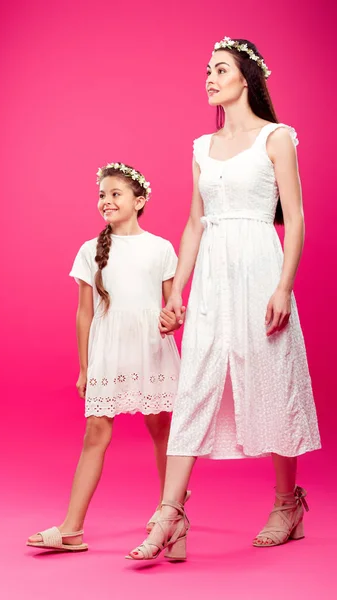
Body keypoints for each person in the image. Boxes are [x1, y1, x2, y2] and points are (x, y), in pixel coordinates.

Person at [127, 37, 321, 561]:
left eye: (220, 69)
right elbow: (194, 224)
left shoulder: (277, 138)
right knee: (196, 383)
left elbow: (296, 217)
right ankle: (171, 511)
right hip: (213, 276)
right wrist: (177, 293)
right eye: (207, 70)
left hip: (260, 268)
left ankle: (287, 504)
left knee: (272, 377)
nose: (210, 77)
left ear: (246, 79)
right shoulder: (201, 146)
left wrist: (283, 285)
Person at [27, 162, 182, 552]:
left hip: (151, 348)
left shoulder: (161, 247)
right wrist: (85, 366)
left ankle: (170, 513)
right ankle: (71, 528)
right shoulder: (90, 250)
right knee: (95, 431)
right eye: (102, 194)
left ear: (139, 200)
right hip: (109, 351)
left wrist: (172, 320)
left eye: (115, 194)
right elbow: (85, 313)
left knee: (161, 427)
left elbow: (173, 307)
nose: (106, 201)